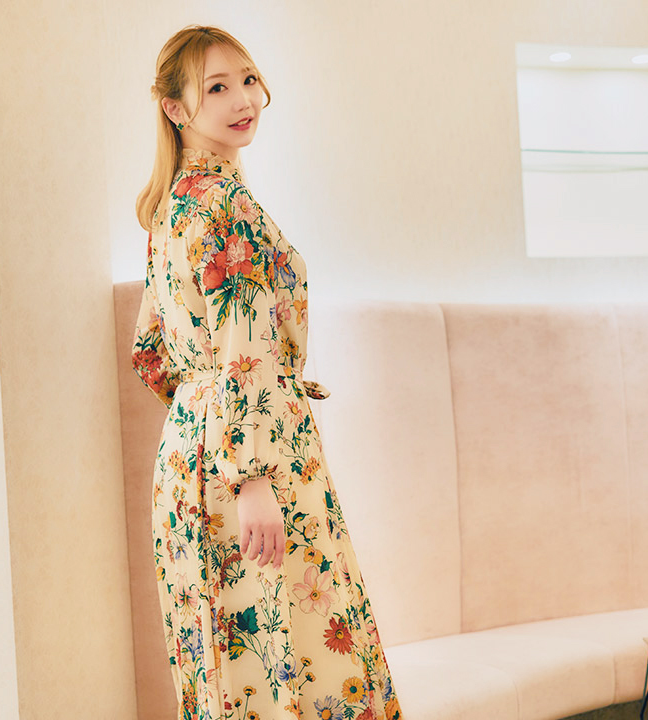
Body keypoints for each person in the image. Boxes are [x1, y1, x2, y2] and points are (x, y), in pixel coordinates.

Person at [131, 23, 405, 720]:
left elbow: (151, 352)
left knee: (234, 669)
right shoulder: (223, 206)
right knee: (299, 656)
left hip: (192, 455)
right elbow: (243, 345)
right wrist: (250, 473)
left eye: (247, 79)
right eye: (217, 87)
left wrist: (203, 422)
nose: (243, 99)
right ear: (175, 108)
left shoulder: (171, 206)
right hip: (251, 460)